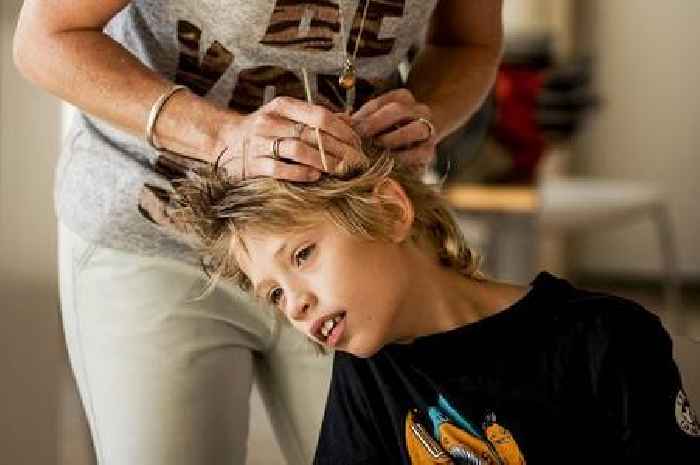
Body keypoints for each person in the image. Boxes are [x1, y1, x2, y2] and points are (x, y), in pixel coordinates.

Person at [13, 1, 503, 464]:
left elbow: (468, 43)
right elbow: (45, 38)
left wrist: (430, 113)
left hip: (352, 252)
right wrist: (218, 135)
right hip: (154, 236)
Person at [168, 144, 700, 464]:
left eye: (303, 254)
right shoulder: (366, 374)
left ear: (389, 211)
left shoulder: (607, 339)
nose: (296, 305)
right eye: (276, 294)